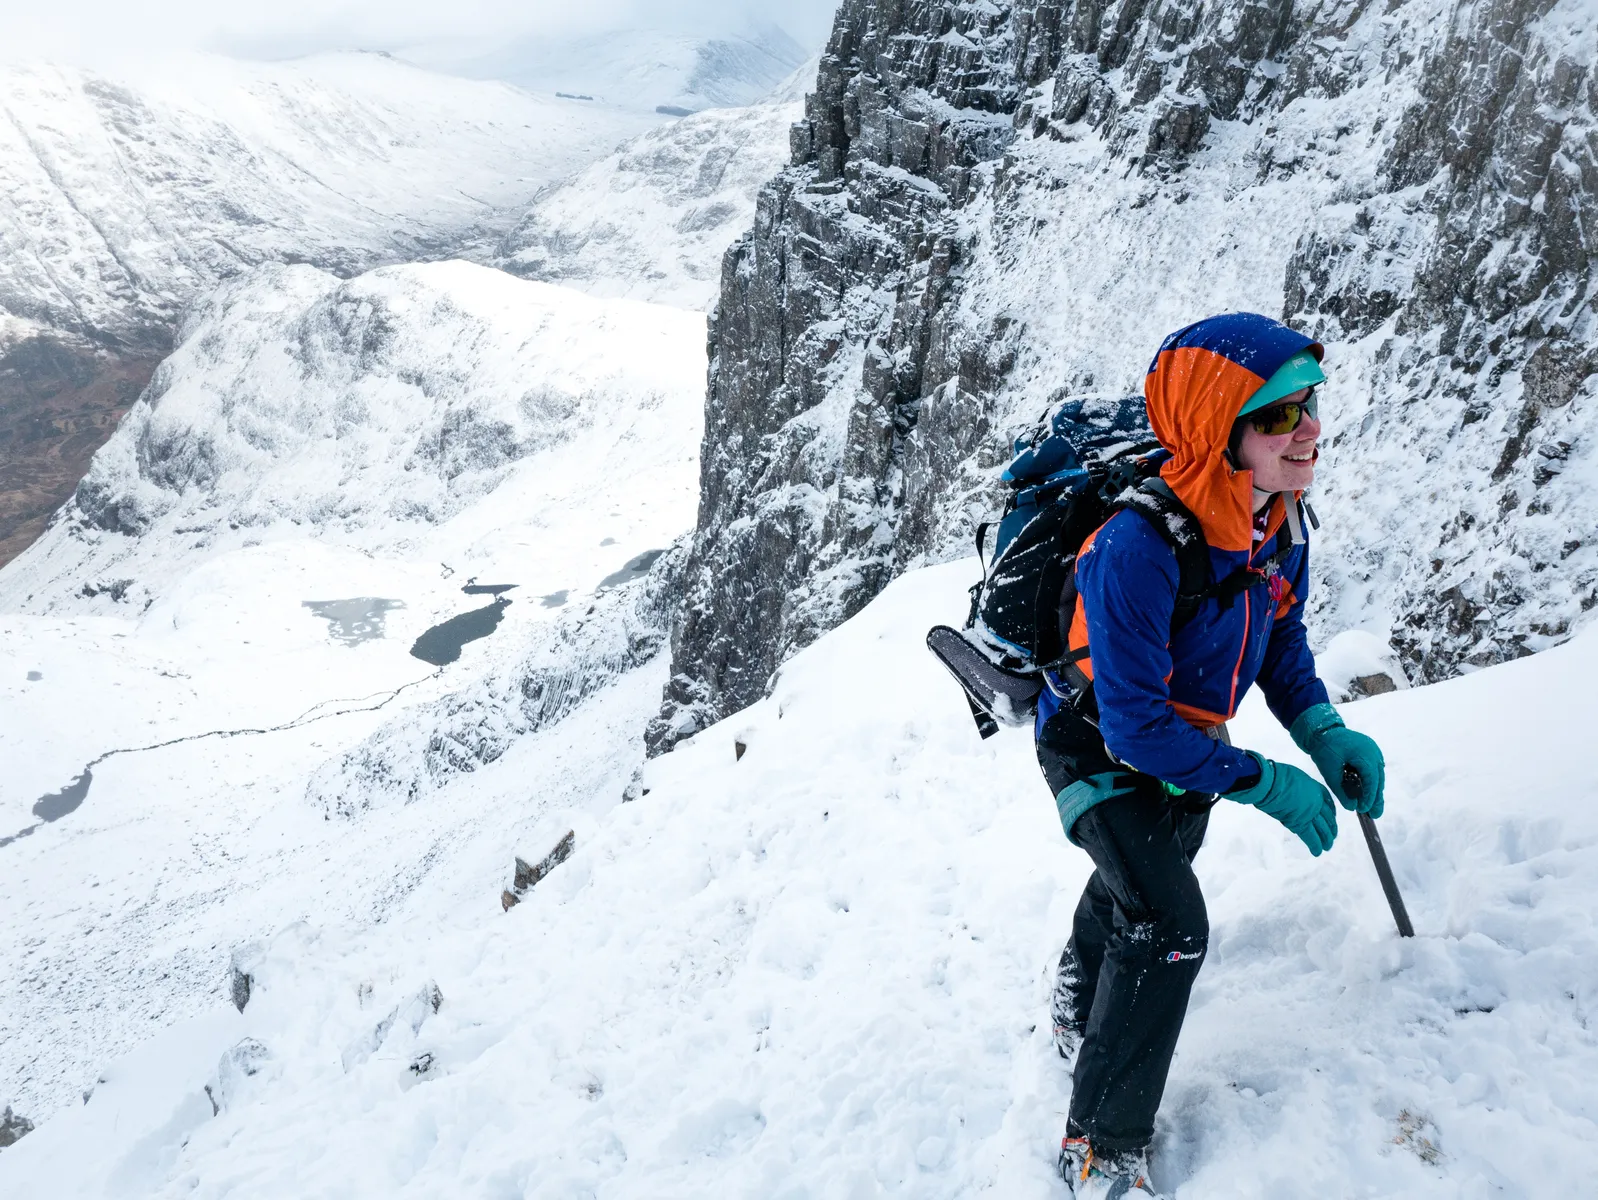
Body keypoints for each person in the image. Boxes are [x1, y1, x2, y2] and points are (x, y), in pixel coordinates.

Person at [1036, 313, 1388, 1197]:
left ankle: (1080, 1001)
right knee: (1168, 923)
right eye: (1276, 417)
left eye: (1308, 405)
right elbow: (1132, 730)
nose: (1307, 428)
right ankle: (1100, 1144)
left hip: (1191, 736)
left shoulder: (1276, 518)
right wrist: (1266, 782)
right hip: (1095, 743)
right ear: (1218, 432)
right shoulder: (1134, 547)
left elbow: (1280, 639)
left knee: (1144, 878)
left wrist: (1322, 730)